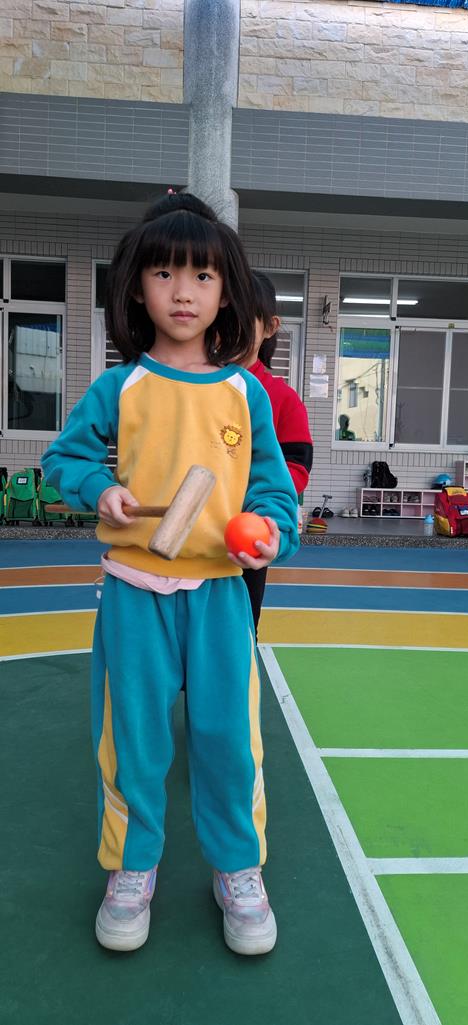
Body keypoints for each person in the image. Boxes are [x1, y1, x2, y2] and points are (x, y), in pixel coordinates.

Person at [41, 192, 299, 957]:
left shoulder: (244, 392)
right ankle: (132, 867)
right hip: (133, 592)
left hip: (218, 594)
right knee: (134, 740)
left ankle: (237, 868)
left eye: (201, 277)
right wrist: (99, 488)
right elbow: (64, 460)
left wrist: (270, 536)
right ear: (135, 288)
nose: (182, 292)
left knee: (228, 740)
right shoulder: (119, 388)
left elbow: (272, 493)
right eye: (163, 274)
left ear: (227, 293)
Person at [241, 271, 313, 634]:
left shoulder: (282, 398)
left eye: (242, 319)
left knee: (238, 636)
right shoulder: (191, 390)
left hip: (245, 535)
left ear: (269, 327)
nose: (228, 329)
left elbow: (296, 467)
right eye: (220, 317)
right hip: (189, 539)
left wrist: (258, 504)